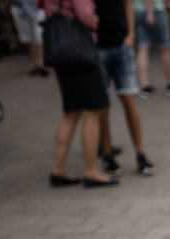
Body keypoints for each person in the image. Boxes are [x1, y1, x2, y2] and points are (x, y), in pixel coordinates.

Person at [44, 0, 117, 187]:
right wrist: (96, 20)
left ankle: (58, 169)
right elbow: (85, 15)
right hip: (80, 54)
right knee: (92, 111)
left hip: (61, 51)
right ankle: (91, 170)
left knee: (71, 112)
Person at [94, 0, 155, 175]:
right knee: (102, 105)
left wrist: (130, 34)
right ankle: (107, 154)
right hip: (98, 47)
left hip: (121, 44)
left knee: (129, 99)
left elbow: (127, 3)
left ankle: (141, 153)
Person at [133, 0, 170, 96]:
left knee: (143, 47)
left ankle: (144, 85)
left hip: (138, 10)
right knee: (165, 47)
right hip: (155, 11)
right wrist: (150, 11)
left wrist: (165, 3)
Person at [9, 0, 49, 76]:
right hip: (20, 9)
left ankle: (41, 64)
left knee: (38, 37)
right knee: (29, 39)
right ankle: (37, 64)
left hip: (37, 8)